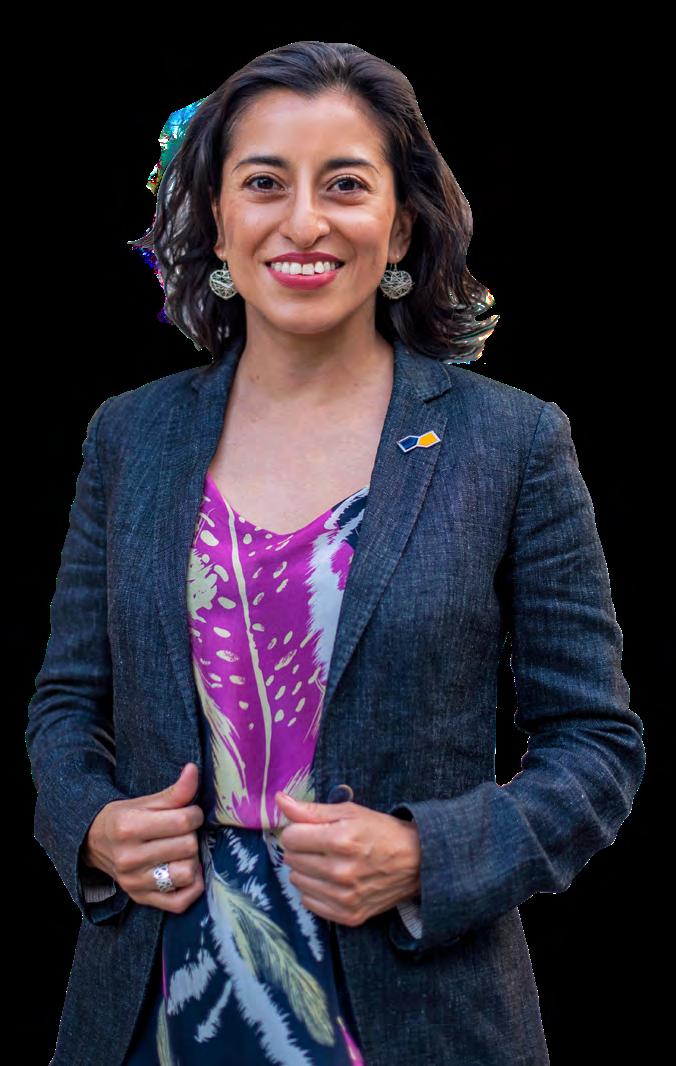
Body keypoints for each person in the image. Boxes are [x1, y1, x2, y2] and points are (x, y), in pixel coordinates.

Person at [25, 41, 646, 1066]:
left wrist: (426, 856)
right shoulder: (128, 436)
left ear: (399, 224)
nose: (304, 221)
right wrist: (91, 825)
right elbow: (64, 704)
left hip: (421, 1017)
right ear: (216, 217)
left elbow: (596, 746)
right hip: (155, 1013)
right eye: (264, 183)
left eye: (346, 185)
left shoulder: (511, 442)